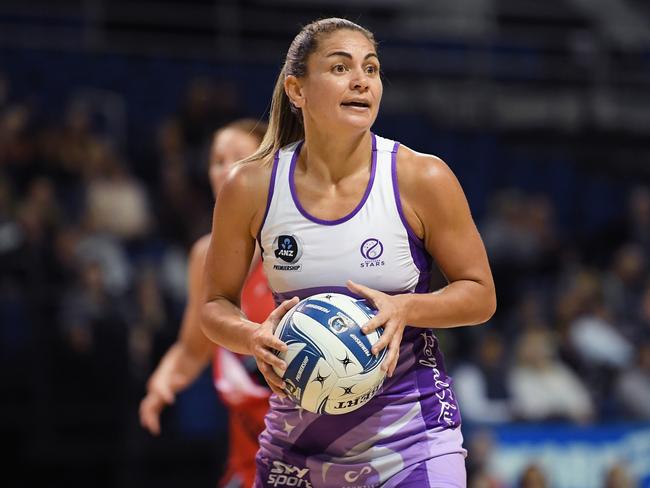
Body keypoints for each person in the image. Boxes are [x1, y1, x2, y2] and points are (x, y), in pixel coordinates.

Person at [201, 18, 496, 488]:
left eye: (371, 68)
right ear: (296, 90)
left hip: (411, 440)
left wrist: (405, 308)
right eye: (340, 67)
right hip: (294, 447)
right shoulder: (251, 185)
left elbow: (481, 295)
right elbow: (213, 305)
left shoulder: (423, 177)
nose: (362, 80)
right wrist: (251, 337)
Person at [139, 118, 275, 488]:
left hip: (318, 451)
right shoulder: (204, 255)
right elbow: (194, 347)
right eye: (217, 159)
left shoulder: (302, 247)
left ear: (270, 166)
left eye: (238, 158)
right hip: (250, 458)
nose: (224, 170)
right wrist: (164, 379)